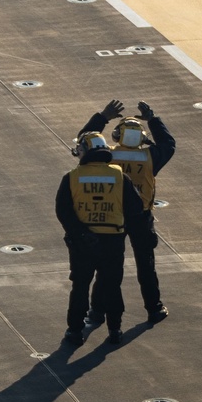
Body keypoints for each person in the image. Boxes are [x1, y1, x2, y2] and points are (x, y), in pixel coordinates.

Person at [77, 99, 174, 325]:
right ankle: (154, 308)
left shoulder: (107, 155)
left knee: (108, 266)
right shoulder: (150, 157)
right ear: (141, 137)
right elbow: (168, 144)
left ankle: (97, 311)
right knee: (146, 265)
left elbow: (84, 141)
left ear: (117, 136)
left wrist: (102, 117)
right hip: (141, 217)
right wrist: (153, 120)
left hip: (113, 216)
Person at [56, 131, 145, 345]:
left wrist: (80, 233)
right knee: (112, 285)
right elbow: (136, 208)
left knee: (80, 287)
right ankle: (115, 330)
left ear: (85, 151)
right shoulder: (119, 176)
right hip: (112, 240)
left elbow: (63, 211)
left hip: (82, 243)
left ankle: (75, 331)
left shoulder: (72, 177)